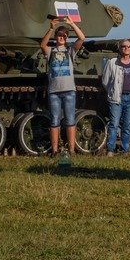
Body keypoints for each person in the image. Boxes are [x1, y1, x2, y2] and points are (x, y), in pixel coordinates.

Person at [40, 16, 86, 157]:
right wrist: (51, 27)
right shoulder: (51, 51)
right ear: (56, 37)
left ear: (67, 38)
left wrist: (72, 24)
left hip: (69, 91)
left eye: (64, 36)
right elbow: (42, 45)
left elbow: (81, 38)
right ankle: (54, 150)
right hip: (54, 91)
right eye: (59, 35)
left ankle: (71, 150)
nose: (62, 37)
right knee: (54, 120)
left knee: (70, 120)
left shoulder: (70, 51)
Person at [101, 39, 130, 155]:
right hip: (116, 98)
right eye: (124, 46)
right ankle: (110, 149)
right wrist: (112, 91)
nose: (126, 48)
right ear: (120, 48)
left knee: (127, 126)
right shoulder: (112, 62)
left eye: (129, 46)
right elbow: (105, 80)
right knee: (113, 124)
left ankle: (125, 150)